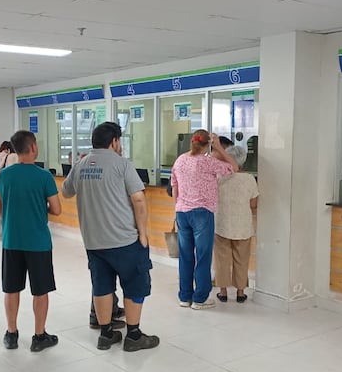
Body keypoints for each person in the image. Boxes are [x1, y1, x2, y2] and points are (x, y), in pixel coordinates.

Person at [62, 122, 159, 352]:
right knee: (135, 284)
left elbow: (66, 192)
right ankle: (133, 335)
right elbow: (138, 199)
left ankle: (106, 334)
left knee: (102, 285)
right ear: (114, 141)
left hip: (94, 242)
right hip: (124, 239)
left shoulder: (80, 164)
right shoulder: (122, 164)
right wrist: (143, 234)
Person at [0, 130, 62, 351]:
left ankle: (11, 333)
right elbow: (57, 209)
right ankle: (39, 336)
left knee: (11, 288)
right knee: (40, 290)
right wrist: (39, 208)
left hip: (11, 240)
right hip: (38, 242)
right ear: (33, 147)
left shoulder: (4, 175)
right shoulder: (44, 176)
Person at [171, 130, 238, 309]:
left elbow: (174, 186)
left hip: (182, 212)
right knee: (202, 256)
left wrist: (176, 210)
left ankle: (185, 297)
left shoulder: (180, 160)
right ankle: (200, 298)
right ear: (208, 144)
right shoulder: (208, 162)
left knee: (185, 256)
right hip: (202, 212)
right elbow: (234, 167)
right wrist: (220, 149)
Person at [213, 146, 258, 303]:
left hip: (222, 224)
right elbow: (254, 204)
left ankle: (223, 292)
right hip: (243, 226)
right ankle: (240, 292)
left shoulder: (219, 177)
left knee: (221, 259)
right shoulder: (249, 179)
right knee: (242, 259)